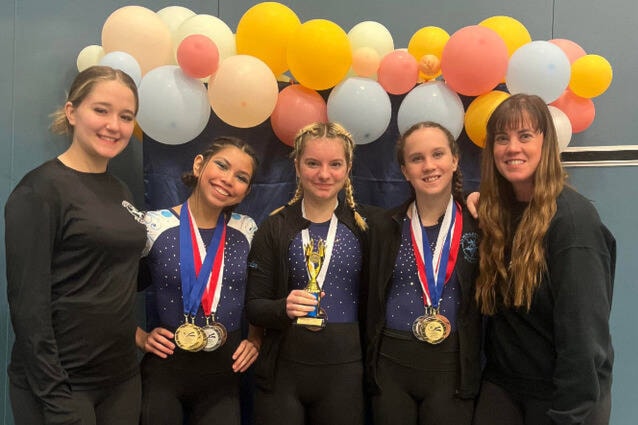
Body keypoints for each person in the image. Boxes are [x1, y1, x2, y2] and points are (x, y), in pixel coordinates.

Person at [4, 65, 146, 425]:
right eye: (101, 110)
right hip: (62, 385)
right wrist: (55, 396)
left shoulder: (120, 191)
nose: (114, 125)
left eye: (125, 116)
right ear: (72, 112)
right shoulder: (40, 190)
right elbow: (27, 304)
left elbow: (119, 276)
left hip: (120, 380)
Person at [472, 94, 615, 425]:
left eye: (525, 136)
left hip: (564, 398)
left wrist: (568, 414)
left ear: (546, 143)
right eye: (502, 138)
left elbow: (584, 333)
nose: (512, 148)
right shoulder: (497, 214)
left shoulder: (573, 222)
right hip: (505, 387)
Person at [245, 122, 377, 425]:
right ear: (297, 165)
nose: (324, 174)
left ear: (348, 167)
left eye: (335, 164)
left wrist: (470, 200)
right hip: (282, 373)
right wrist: (283, 307)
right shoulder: (274, 227)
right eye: (313, 163)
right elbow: (254, 306)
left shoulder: (366, 227)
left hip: (345, 372)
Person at [134, 137, 262, 425]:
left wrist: (256, 337)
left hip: (223, 380)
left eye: (241, 177)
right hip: (164, 375)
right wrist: (139, 337)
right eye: (222, 165)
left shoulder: (246, 228)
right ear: (199, 164)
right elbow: (108, 291)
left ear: (246, 191)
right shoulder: (152, 225)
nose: (228, 180)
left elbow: (259, 294)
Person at [365, 122, 482, 425]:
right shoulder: (383, 227)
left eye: (438, 154)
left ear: (455, 160)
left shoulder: (479, 223)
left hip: (452, 368)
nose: (429, 166)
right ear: (405, 171)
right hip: (391, 366)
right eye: (417, 158)